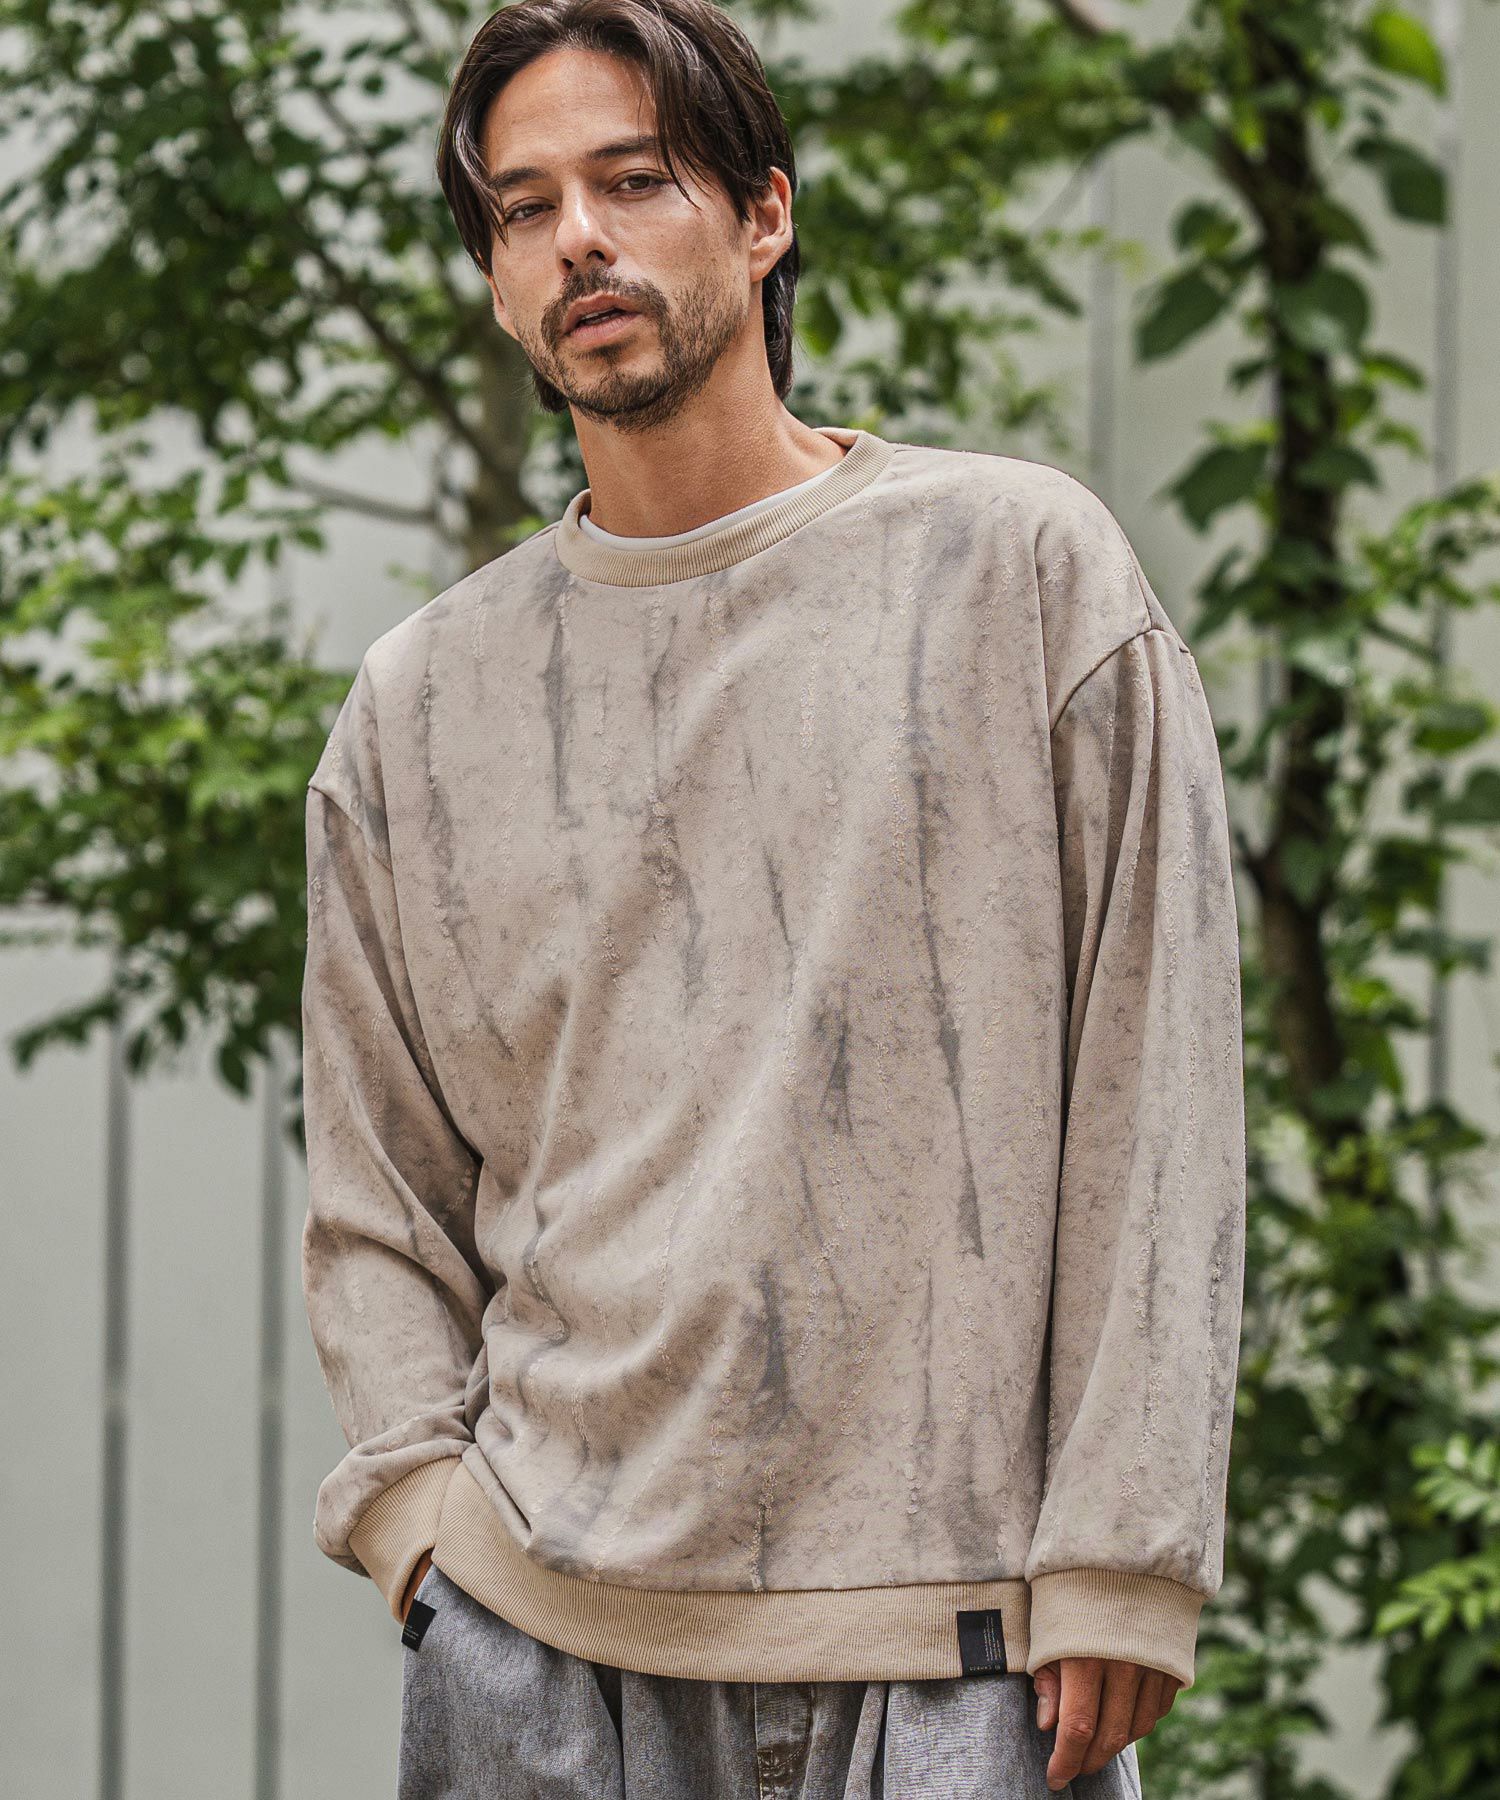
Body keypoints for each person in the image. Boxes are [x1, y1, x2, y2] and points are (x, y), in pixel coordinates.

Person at [298, 1, 1248, 1794]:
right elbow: (376, 1193)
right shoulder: (418, 707)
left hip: (966, 1653)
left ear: (763, 215)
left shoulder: (1023, 575)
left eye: (635, 180)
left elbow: (1160, 1080)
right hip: (541, 1652)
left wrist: (1127, 1546)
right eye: (524, 208)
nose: (579, 238)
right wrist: (423, 1524)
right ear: (495, 280)